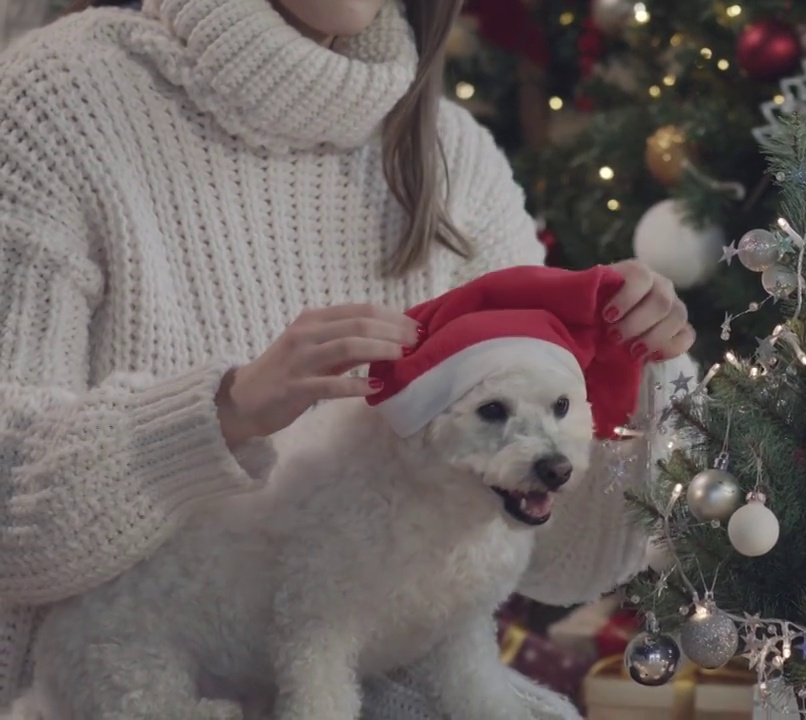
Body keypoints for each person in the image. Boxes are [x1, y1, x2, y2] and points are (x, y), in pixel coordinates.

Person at [0, 0, 696, 715]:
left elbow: (561, 562)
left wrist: (634, 367)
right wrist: (219, 415)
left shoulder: (450, 154)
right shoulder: (61, 101)